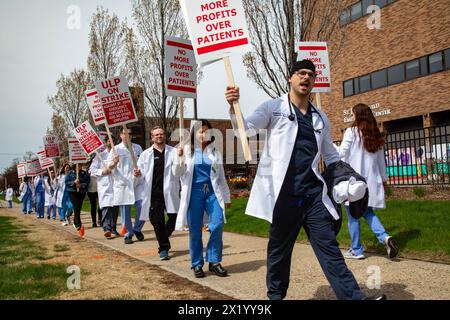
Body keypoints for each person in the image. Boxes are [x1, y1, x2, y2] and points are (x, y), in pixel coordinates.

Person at [225, 60, 386, 300]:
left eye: (311, 74)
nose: (306, 78)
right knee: (279, 253)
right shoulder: (273, 108)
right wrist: (232, 106)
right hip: (284, 196)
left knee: (330, 250)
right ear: (290, 78)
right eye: (301, 73)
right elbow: (244, 130)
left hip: (312, 196)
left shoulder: (320, 117)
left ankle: (355, 298)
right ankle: (276, 297)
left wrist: (349, 178)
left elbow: (331, 156)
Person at [335, 103, 398, 260]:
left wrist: (328, 145)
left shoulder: (351, 132)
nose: (352, 117)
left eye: (353, 114)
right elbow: (381, 162)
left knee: (353, 216)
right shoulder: (375, 134)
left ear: (358, 115)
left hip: (355, 182)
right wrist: (384, 181)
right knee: (368, 212)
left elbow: (342, 153)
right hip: (371, 182)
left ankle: (356, 249)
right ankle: (384, 237)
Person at [175, 120, 231, 278]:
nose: (203, 134)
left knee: (217, 223)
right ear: (194, 134)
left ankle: (214, 262)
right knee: (195, 229)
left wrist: (226, 197)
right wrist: (178, 159)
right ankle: (197, 264)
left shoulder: (215, 152)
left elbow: (220, 177)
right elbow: (177, 174)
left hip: (212, 192)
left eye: (206, 131)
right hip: (194, 193)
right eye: (200, 131)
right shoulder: (186, 150)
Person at [134, 126, 183, 260]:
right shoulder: (145, 154)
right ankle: (163, 248)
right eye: (156, 135)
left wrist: (180, 158)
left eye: (161, 134)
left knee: (174, 218)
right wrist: (138, 174)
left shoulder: (174, 151)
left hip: (170, 191)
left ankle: (163, 237)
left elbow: (179, 172)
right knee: (157, 220)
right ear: (152, 138)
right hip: (153, 192)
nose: (159, 136)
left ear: (165, 136)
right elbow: (141, 173)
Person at [106, 127, 144, 244]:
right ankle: (128, 233)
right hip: (123, 184)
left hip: (137, 182)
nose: (128, 136)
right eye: (125, 134)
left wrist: (140, 171)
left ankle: (137, 228)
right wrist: (114, 162)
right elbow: (108, 167)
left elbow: (143, 163)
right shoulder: (115, 149)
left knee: (143, 206)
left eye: (130, 133)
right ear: (121, 135)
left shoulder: (138, 148)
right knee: (125, 210)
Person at [90, 137, 120, 238]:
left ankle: (113, 228)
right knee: (106, 207)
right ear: (105, 143)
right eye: (109, 141)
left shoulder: (117, 154)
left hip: (116, 184)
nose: (111, 143)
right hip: (105, 185)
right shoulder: (100, 156)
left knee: (115, 208)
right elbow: (91, 170)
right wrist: (102, 172)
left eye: (113, 141)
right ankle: (107, 228)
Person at [65, 164, 90, 237]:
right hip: (72, 192)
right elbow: (66, 183)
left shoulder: (84, 173)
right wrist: (74, 183)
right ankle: (78, 223)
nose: (79, 167)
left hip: (81, 192)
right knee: (76, 206)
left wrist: (81, 185)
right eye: (77, 165)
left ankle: (76, 221)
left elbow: (87, 182)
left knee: (78, 207)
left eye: (80, 165)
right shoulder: (70, 173)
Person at [87, 159, 102, 228]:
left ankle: (100, 220)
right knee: (93, 206)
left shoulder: (99, 170)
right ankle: (94, 222)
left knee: (100, 206)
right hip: (91, 191)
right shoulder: (88, 172)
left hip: (99, 190)